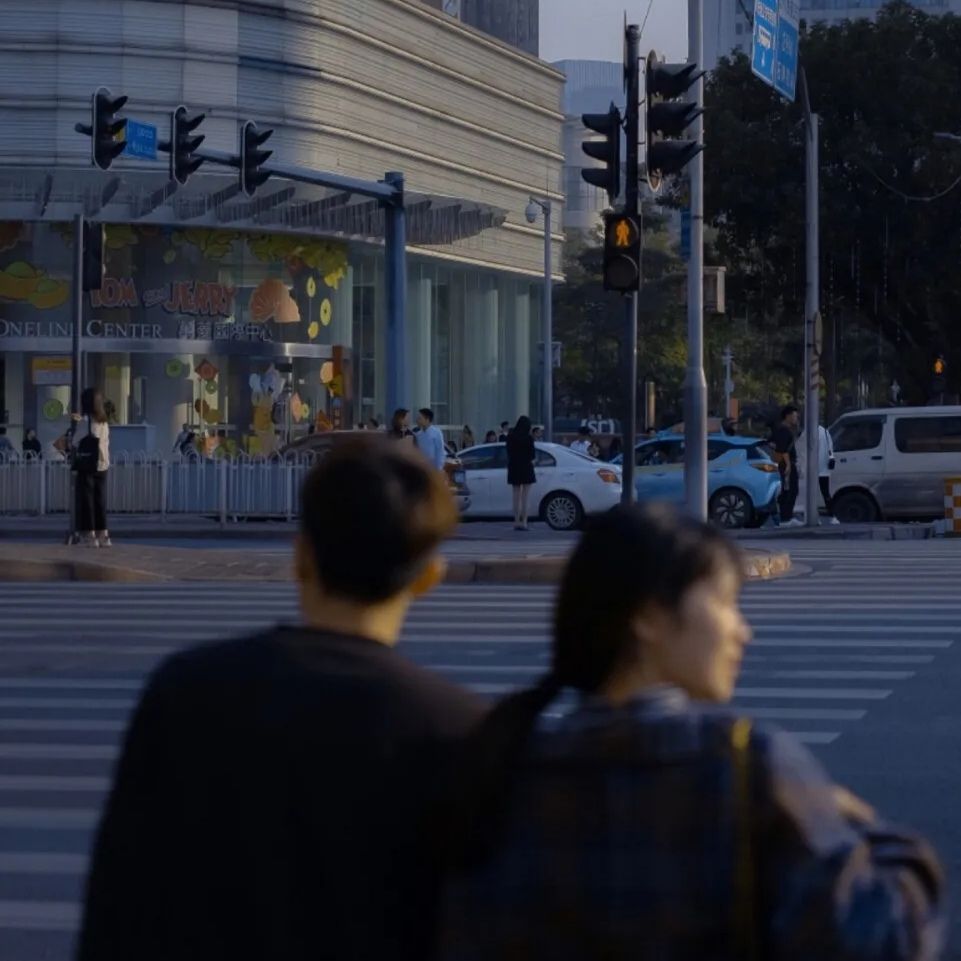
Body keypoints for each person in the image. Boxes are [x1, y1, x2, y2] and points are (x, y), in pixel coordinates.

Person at [440, 505, 944, 961]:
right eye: (725, 602)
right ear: (649, 618)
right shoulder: (745, 764)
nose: (742, 630)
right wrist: (869, 827)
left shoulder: (504, 766)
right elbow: (881, 940)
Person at [77, 440, 484, 961]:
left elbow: (118, 913)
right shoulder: (462, 729)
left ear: (300, 557)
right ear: (429, 575)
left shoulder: (185, 694)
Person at [73, 387, 112, 548]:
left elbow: (76, 441)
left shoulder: (85, 421)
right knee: (99, 499)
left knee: (87, 500)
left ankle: (89, 536)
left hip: (88, 464)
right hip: (103, 463)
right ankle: (103, 535)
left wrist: (77, 423)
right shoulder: (103, 420)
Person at [771, 404, 801, 527]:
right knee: (790, 490)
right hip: (786, 464)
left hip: (786, 463)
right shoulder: (784, 430)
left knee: (790, 490)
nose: (796, 418)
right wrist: (788, 465)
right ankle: (786, 518)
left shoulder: (783, 429)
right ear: (787, 416)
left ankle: (786, 517)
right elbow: (783, 449)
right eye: (794, 416)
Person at [505, 415, 536, 531]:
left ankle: (516, 521)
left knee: (515, 496)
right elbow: (532, 455)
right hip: (527, 467)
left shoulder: (511, 436)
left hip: (514, 467)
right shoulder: (529, 438)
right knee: (525, 497)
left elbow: (508, 451)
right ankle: (524, 522)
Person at [818, 422, 840, 525]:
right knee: (825, 493)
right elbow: (830, 447)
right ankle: (833, 516)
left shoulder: (809, 432)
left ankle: (813, 517)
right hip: (825, 468)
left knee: (811, 494)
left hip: (814, 468)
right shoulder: (825, 431)